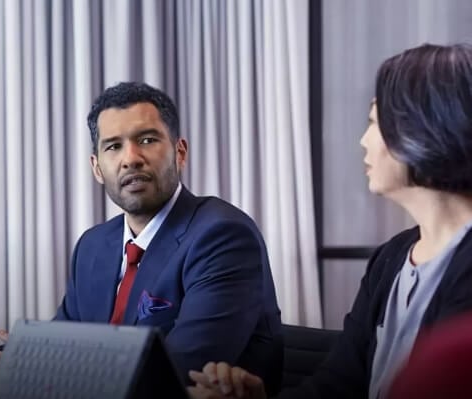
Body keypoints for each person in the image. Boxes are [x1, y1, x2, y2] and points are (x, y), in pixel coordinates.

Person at [0, 82, 285, 393]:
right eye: (113, 146)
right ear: (97, 168)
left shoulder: (222, 236)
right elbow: (63, 342)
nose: (130, 158)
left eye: (147, 140)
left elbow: (180, 371)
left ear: (180, 152)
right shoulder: (94, 245)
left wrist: (30, 375)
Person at [189, 43, 472, 399]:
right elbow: (336, 388)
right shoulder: (391, 258)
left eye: (373, 121)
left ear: (422, 127)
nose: (363, 141)